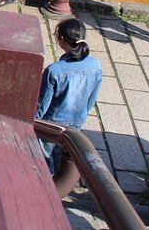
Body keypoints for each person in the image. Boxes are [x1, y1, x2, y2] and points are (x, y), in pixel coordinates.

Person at [36, 18, 102, 174]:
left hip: (54, 122)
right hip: (78, 119)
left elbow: (43, 103)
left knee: (45, 156)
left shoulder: (54, 70)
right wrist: (83, 114)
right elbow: (92, 97)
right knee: (64, 151)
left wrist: (34, 123)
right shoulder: (95, 65)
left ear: (62, 40)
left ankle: (49, 181)